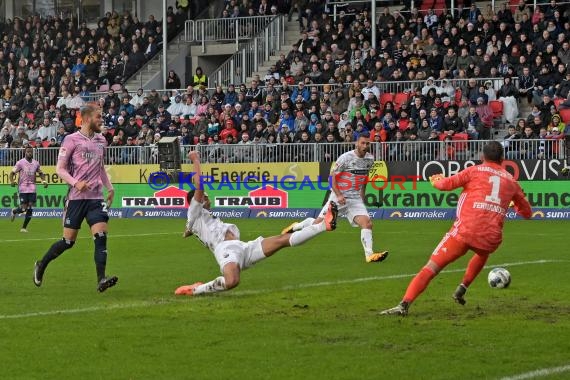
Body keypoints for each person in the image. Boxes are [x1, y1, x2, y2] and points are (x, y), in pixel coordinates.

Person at [380, 141, 532, 316]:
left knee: (431, 267)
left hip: (464, 232)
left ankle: (404, 305)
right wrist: (514, 204)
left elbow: (445, 185)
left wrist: (436, 180)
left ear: (482, 157)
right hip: (490, 238)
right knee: (483, 252)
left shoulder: (474, 171)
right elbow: (527, 213)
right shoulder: (512, 182)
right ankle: (463, 286)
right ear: (503, 159)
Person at [174, 151, 339, 296]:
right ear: (194, 201)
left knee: (282, 240)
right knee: (232, 281)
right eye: (204, 197)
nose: (207, 198)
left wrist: (188, 231)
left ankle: (323, 225)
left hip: (243, 247)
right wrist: (195, 160)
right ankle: (196, 290)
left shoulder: (198, 218)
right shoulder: (194, 212)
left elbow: (191, 228)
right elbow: (199, 186)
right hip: (225, 250)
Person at [33, 104, 118, 292]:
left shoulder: (101, 141)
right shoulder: (71, 140)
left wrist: (110, 188)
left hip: (96, 198)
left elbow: (100, 167)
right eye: (98, 117)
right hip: (76, 198)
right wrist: (76, 183)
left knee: (101, 236)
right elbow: (60, 170)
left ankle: (101, 279)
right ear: (87, 118)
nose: (101, 120)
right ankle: (41, 264)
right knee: (68, 242)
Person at [281, 134, 389, 263]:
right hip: (339, 197)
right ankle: (297, 226)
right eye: (363, 143)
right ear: (357, 143)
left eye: (367, 143)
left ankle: (369, 255)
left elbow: (364, 178)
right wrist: (338, 194)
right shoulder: (345, 158)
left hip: (355, 199)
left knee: (367, 223)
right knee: (318, 225)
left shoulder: (370, 159)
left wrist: (362, 195)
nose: (365, 146)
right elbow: (331, 177)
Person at [10, 146, 48, 232]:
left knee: (30, 208)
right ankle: (14, 211)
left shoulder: (36, 163)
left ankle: (24, 228)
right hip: (23, 187)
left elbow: (41, 173)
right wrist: (12, 181)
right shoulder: (20, 163)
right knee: (23, 209)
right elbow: (12, 173)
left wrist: (44, 181)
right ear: (25, 152)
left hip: (32, 188)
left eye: (31, 152)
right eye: (28, 152)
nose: (30, 153)